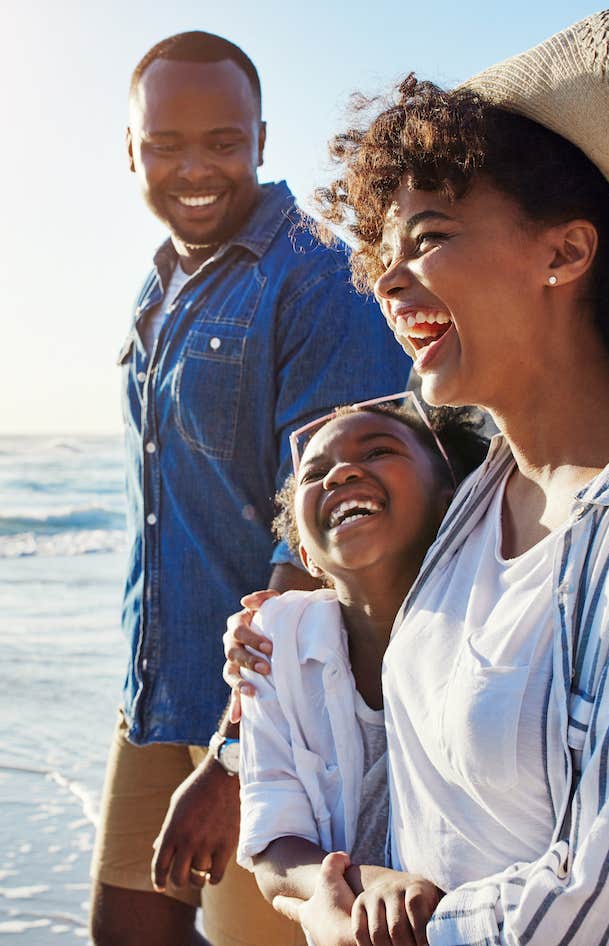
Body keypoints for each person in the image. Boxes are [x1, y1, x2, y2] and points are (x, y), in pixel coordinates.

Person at [224, 12, 609, 946]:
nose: (388, 283)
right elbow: (416, 755)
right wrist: (280, 638)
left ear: (566, 253)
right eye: (383, 254)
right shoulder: (477, 497)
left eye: (429, 237)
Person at [90, 30, 409, 946]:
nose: (194, 168)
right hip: (156, 693)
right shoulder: (160, 286)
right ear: (132, 150)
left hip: (272, 716)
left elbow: (329, 534)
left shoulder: (315, 279)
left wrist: (234, 755)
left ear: (262, 140)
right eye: (165, 145)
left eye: (222, 143)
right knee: (125, 934)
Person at [237, 395, 488, 946]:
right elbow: (273, 843)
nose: (342, 473)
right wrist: (356, 883)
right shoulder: (269, 643)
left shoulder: (496, 631)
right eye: (315, 473)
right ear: (303, 552)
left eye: (378, 451)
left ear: (451, 499)